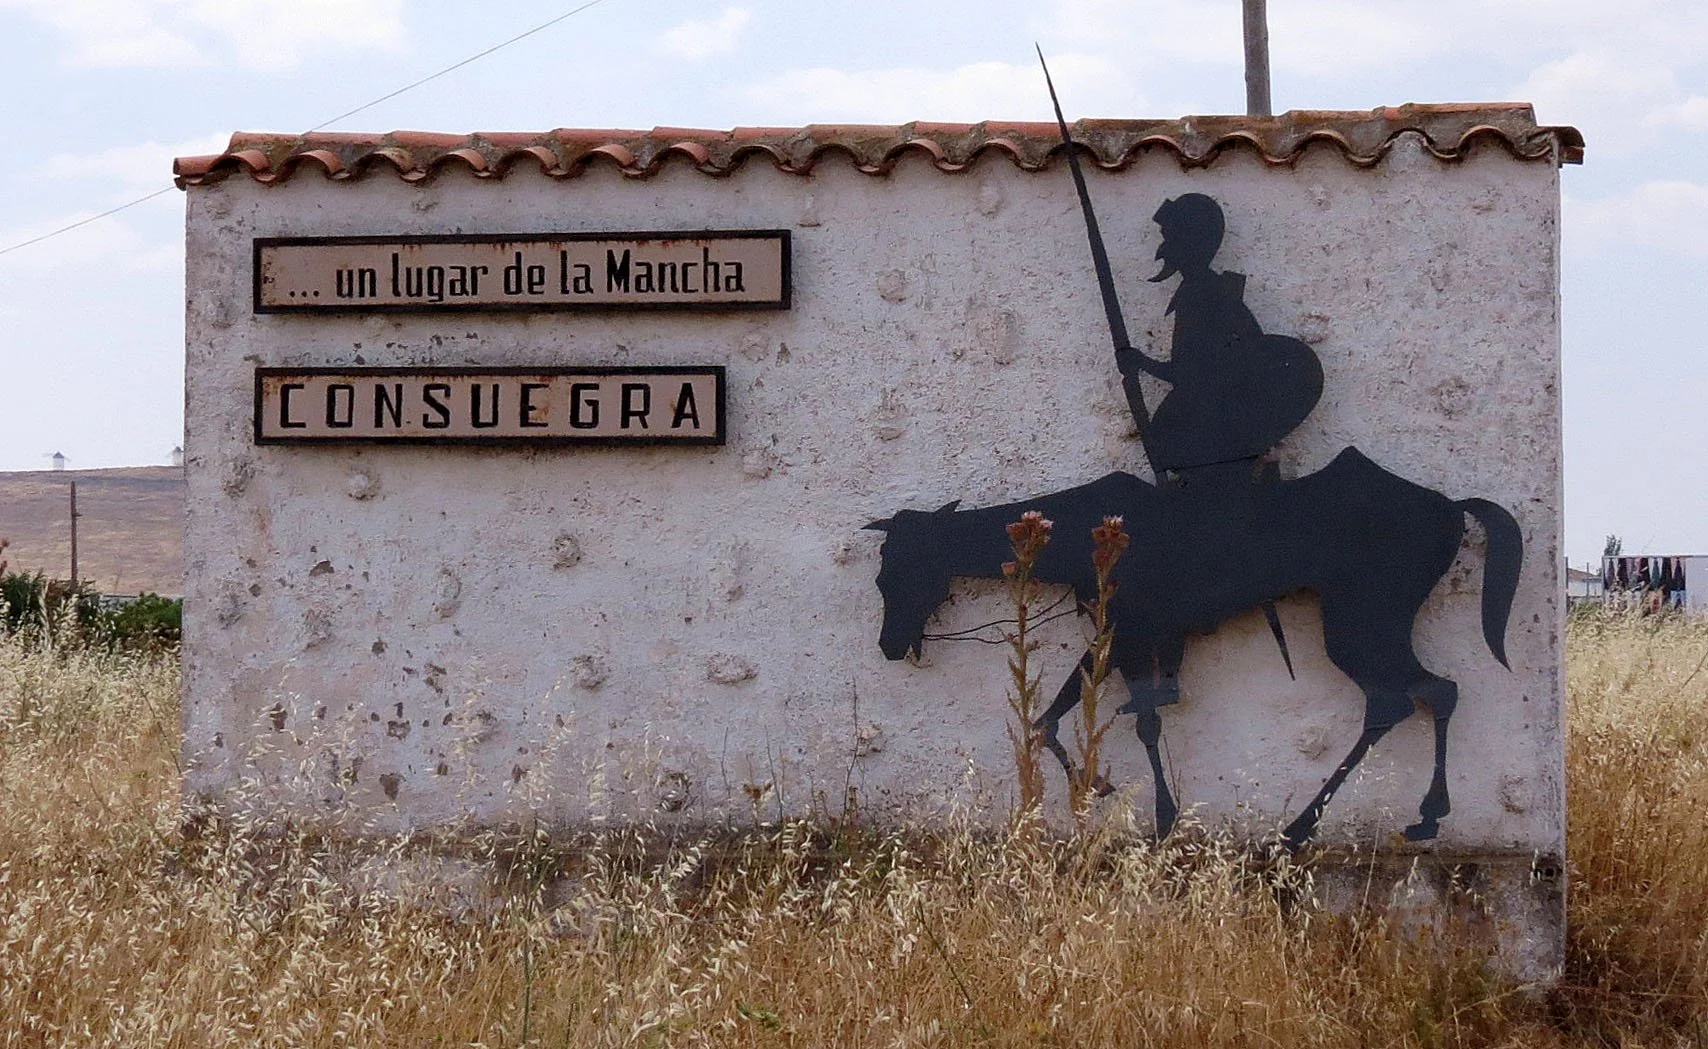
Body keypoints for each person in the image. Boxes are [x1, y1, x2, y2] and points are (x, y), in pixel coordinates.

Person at [1116, 194, 1324, 490]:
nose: (1164, 244)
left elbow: (1191, 374)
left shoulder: (1202, 294)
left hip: (1216, 431)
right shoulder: (1206, 289)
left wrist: (1140, 363)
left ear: (1188, 241)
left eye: (1169, 235)